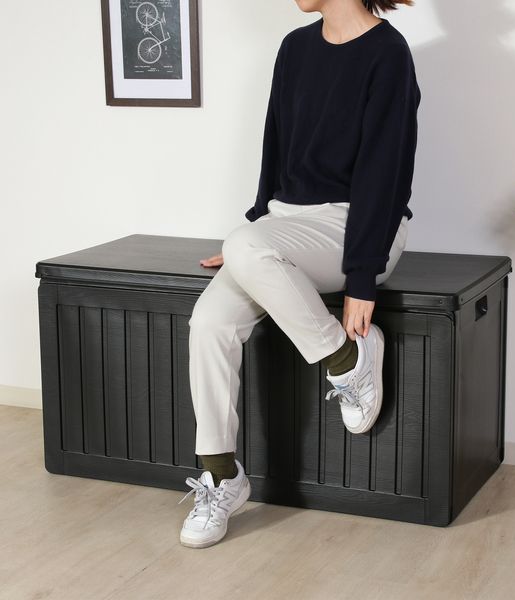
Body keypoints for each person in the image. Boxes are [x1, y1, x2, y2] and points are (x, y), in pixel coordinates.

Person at [179, 0, 421, 549]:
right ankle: (222, 476)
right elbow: (276, 143)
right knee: (209, 322)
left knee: (245, 249)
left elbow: (386, 171)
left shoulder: (388, 53)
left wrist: (363, 275)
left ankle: (349, 361)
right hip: (285, 223)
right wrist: (256, 236)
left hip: (358, 225)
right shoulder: (295, 47)